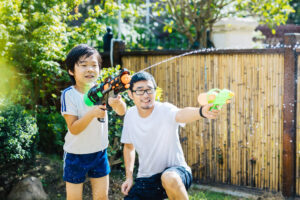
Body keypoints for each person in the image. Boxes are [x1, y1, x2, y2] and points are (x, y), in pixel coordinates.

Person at [120, 71, 220, 200]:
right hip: (147, 179)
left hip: (177, 172)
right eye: (140, 91)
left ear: (155, 91)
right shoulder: (130, 115)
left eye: (149, 90)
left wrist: (201, 111)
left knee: (169, 178)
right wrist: (129, 177)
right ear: (131, 94)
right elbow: (129, 147)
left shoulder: (165, 109)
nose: (146, 95)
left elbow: (181, 114)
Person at [60, 44, 126, 200]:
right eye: (83, 65)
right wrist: (91, 114)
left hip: (99, 153)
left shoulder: (103, 89)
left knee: (102, 198)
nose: (90, 69)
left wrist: (118, 104)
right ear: (71, 71)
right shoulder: (69, 95)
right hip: (75, 155)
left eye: (94, 65)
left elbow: (122, 112)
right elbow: (74, 129)